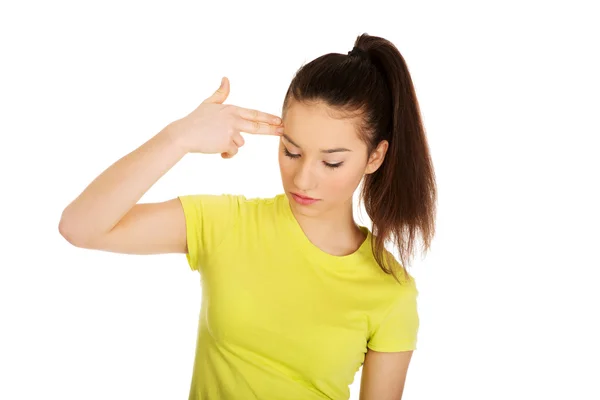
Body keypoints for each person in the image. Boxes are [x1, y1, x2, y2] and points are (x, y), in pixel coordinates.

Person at [59, 33, 437, 400]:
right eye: (291, 152)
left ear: (375, 156)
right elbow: (80, 227)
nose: (303, 178)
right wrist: (178, 139)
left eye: (331, 161)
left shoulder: (391, 292)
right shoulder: (227, 224)